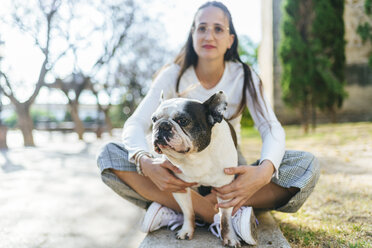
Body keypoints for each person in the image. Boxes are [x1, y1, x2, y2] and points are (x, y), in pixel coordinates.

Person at [97, 1, 320, 245]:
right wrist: (144, 161)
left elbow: (270, 127)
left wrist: (263, 173)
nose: (209, 35)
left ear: (230, 39)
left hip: (227, 171)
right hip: (178, 172)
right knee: (109, 155)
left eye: (218, 29)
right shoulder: (173, 73)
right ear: (192, 34)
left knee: (306, 165)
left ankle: (186, 208)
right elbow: (136, 123)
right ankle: (217, 214)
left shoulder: (244, 76)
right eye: (201, 28)